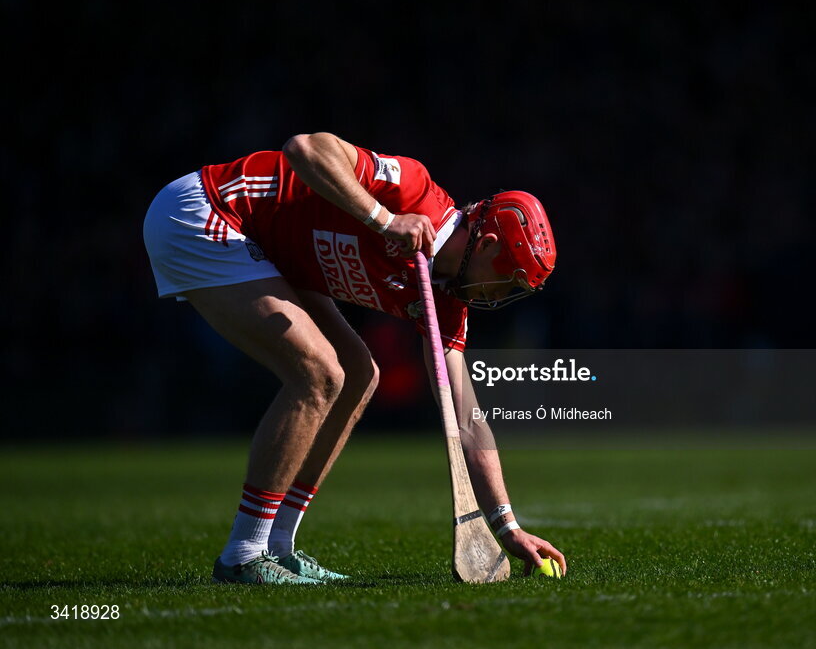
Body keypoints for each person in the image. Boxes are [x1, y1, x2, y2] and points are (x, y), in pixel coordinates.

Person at [142, 132, 566, 584]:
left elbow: (466, 417)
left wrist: (508, 525)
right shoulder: (412, 190)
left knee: (361, 376)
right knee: (319, 374)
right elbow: (303, 149)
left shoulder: (447, 303)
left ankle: (279, 546)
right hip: (207, 212)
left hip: (272, 254)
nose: (498, 296)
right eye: (506, 281)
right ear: (485, 246)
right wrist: (384, 219)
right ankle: (244, 553)